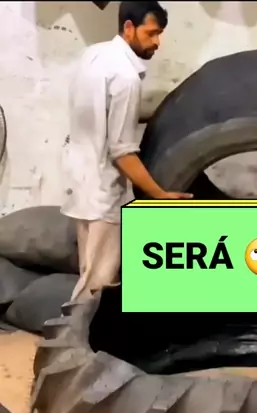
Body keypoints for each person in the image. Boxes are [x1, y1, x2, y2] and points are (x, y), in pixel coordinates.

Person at [61, 1, 192, 303]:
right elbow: (122, 153)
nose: (157, 42)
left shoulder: (94, 55)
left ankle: (76, 326)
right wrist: (160, 195)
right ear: (129, 28)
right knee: (97, 285)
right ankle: (73, 331)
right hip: (103, 190)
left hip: (80, 179)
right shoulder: (126, 78)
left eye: (159, 34)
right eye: (151, 33)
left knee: (89, 270)